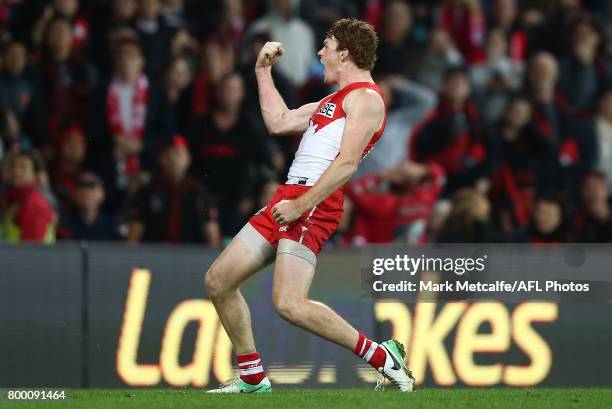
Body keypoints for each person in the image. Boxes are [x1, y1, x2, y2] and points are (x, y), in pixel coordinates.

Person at [205, 18, 414, 394]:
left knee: (289, 302)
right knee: (219, 281)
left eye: (326, 46)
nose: (320, 53)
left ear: (344, 53)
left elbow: (348, 163)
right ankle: (252, 377)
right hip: (289, 198)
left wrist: (302, 203)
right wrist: (262, 71)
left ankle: (383, 359)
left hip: (314, 201)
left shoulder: (366, 99)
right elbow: (279, 121)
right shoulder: (331, 102)